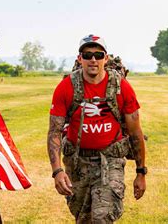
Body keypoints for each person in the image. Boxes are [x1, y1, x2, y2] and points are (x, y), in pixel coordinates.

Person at [47, 34, 147, 223]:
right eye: (87, 55)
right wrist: (57, 171)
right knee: (83, 218)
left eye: (98, 55)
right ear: (80, 59)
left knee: (102, 217)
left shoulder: (121, 87)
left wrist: (141, 173)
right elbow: (54, 131)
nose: (93, 59)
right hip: (77, 162)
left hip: (110, 160)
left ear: (106, 58)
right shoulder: (66, 87)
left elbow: (135, 133)